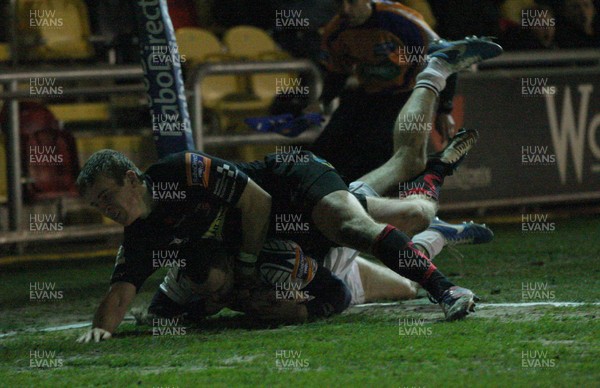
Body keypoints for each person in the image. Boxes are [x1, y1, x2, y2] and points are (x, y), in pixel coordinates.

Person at [76, 38, 500, 343]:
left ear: (132, 179)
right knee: (407, 187)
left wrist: (245, 270)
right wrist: (101, 330)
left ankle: (445, 282)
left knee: (389, 216)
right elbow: (121, 298)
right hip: (300, 245)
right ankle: (438, 218)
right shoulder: (151, 245)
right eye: (97, 206)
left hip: (290, 188)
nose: (106, 210)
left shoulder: (182, 173)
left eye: (107, 197)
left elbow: (256, 200)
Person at [308, 0, 463, 182]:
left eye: (352, 2)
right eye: (339, 3)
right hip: (367, 94)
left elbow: (448, 56)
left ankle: (363, 203)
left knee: (373, 154)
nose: (345, 10)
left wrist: (444, 110)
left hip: (404, 97)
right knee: (323, 151)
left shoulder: (401, 21)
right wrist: (322, 101)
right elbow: (338, 73)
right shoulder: (336, 30)